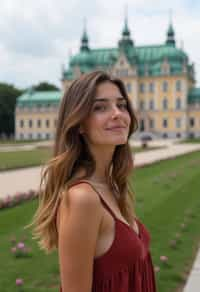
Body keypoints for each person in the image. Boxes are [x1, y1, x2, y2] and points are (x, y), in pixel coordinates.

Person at [29, 71, 157, 292]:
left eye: (122, 105)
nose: (117, 113)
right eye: (100, 107)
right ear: (79, 123)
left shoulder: (111, 185)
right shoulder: (82, 198)